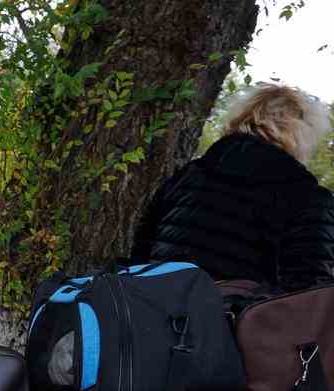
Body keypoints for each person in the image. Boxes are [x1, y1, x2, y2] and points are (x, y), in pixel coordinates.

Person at [130, 83, 334, 291]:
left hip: (153, 309)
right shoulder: (308, 197)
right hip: (239, 319)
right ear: (303, 133)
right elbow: (309, 294)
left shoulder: (189, 175)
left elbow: (141, 252)